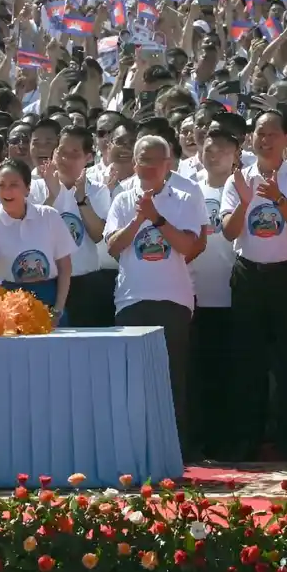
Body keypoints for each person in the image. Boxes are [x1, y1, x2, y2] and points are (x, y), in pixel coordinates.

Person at [220, 109, 287, 460]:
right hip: (249, 275)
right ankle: (247, 439)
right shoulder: (238, 179)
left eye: (272, 133)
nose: (264, 139)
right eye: (259, 132)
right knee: (248, 362)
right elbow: (230, 231)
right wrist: (246, 201)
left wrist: (277, 197)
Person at [105, 134, 206, 455]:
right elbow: (113, 247)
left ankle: (177, 449)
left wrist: (157, 218)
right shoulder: (122, 199)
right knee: (133, 379)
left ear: (168, 164)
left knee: (173, 376)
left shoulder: (185, 198)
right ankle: (135, 448)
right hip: (132, 300)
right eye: (142, 160)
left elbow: (188, 246)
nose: (147, 166)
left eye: (155, 160)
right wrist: (139, 217)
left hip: (173, 300)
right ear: (133, 164)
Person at [0, 158, 74, 324]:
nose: (7, 191)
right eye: (2, 185)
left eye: (14, 185)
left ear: (27, 189)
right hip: (9, 301)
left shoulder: (49, 216)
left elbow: (65, 267)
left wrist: (58, 308)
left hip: (48, 296)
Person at [31, 126, 113, 327]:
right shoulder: (35, 187)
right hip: (48, 281)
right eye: (61, 152)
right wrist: (52, 195)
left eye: (74, 154)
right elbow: (32, 232)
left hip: (85, 281)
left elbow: (97, 235)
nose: (65, 159)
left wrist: (81, 199)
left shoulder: (98, 190)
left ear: (88, 157)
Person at [188, 129, 238, 457]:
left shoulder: (241, 188)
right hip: (193, 295)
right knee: (198, 373)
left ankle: (229, 440)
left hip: (233, 294)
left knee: (230, 374)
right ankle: (200, 439)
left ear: (237, 153)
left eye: (223, 148)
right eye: (209, 146)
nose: (214, 152)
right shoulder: (189, 188)